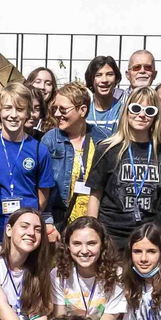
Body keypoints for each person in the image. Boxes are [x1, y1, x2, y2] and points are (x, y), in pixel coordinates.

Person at [87, 85, 161, 251]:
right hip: (112, 233)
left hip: (149, 235)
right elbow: (95, 195)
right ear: (126, 111)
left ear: (155, 116)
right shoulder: (107, 148)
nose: (142, 115)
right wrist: (92, 232)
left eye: (149, 111)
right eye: (136, 108)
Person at [0, 83, 56, 245]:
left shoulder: (39, 150)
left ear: (28, 113)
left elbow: (43, 191)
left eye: (20, 109)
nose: (13, 115)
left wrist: (31, 217)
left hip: (27, 234)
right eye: (7, 108)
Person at [52, 216, 126, 320]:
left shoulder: (117, 275)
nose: (84, 250)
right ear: (68, 246)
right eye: (77, 244)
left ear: (102, 245)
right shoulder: (57, 274)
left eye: (91, 243)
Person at [41, 82, 98, 239]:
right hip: (59, 224)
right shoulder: (51, 140)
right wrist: (47, 224)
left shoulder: (101, 139)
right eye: (55, 109)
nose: (57, 114)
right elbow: (41, 186)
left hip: (92, 223)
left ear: (82, 110)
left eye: (63, 109)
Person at [84, 55, 123, 140]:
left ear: (116, 78)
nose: (104, 80)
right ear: (91, 79)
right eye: (98, 75)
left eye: (109, 74)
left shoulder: (123, 110)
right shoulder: (84, 111)